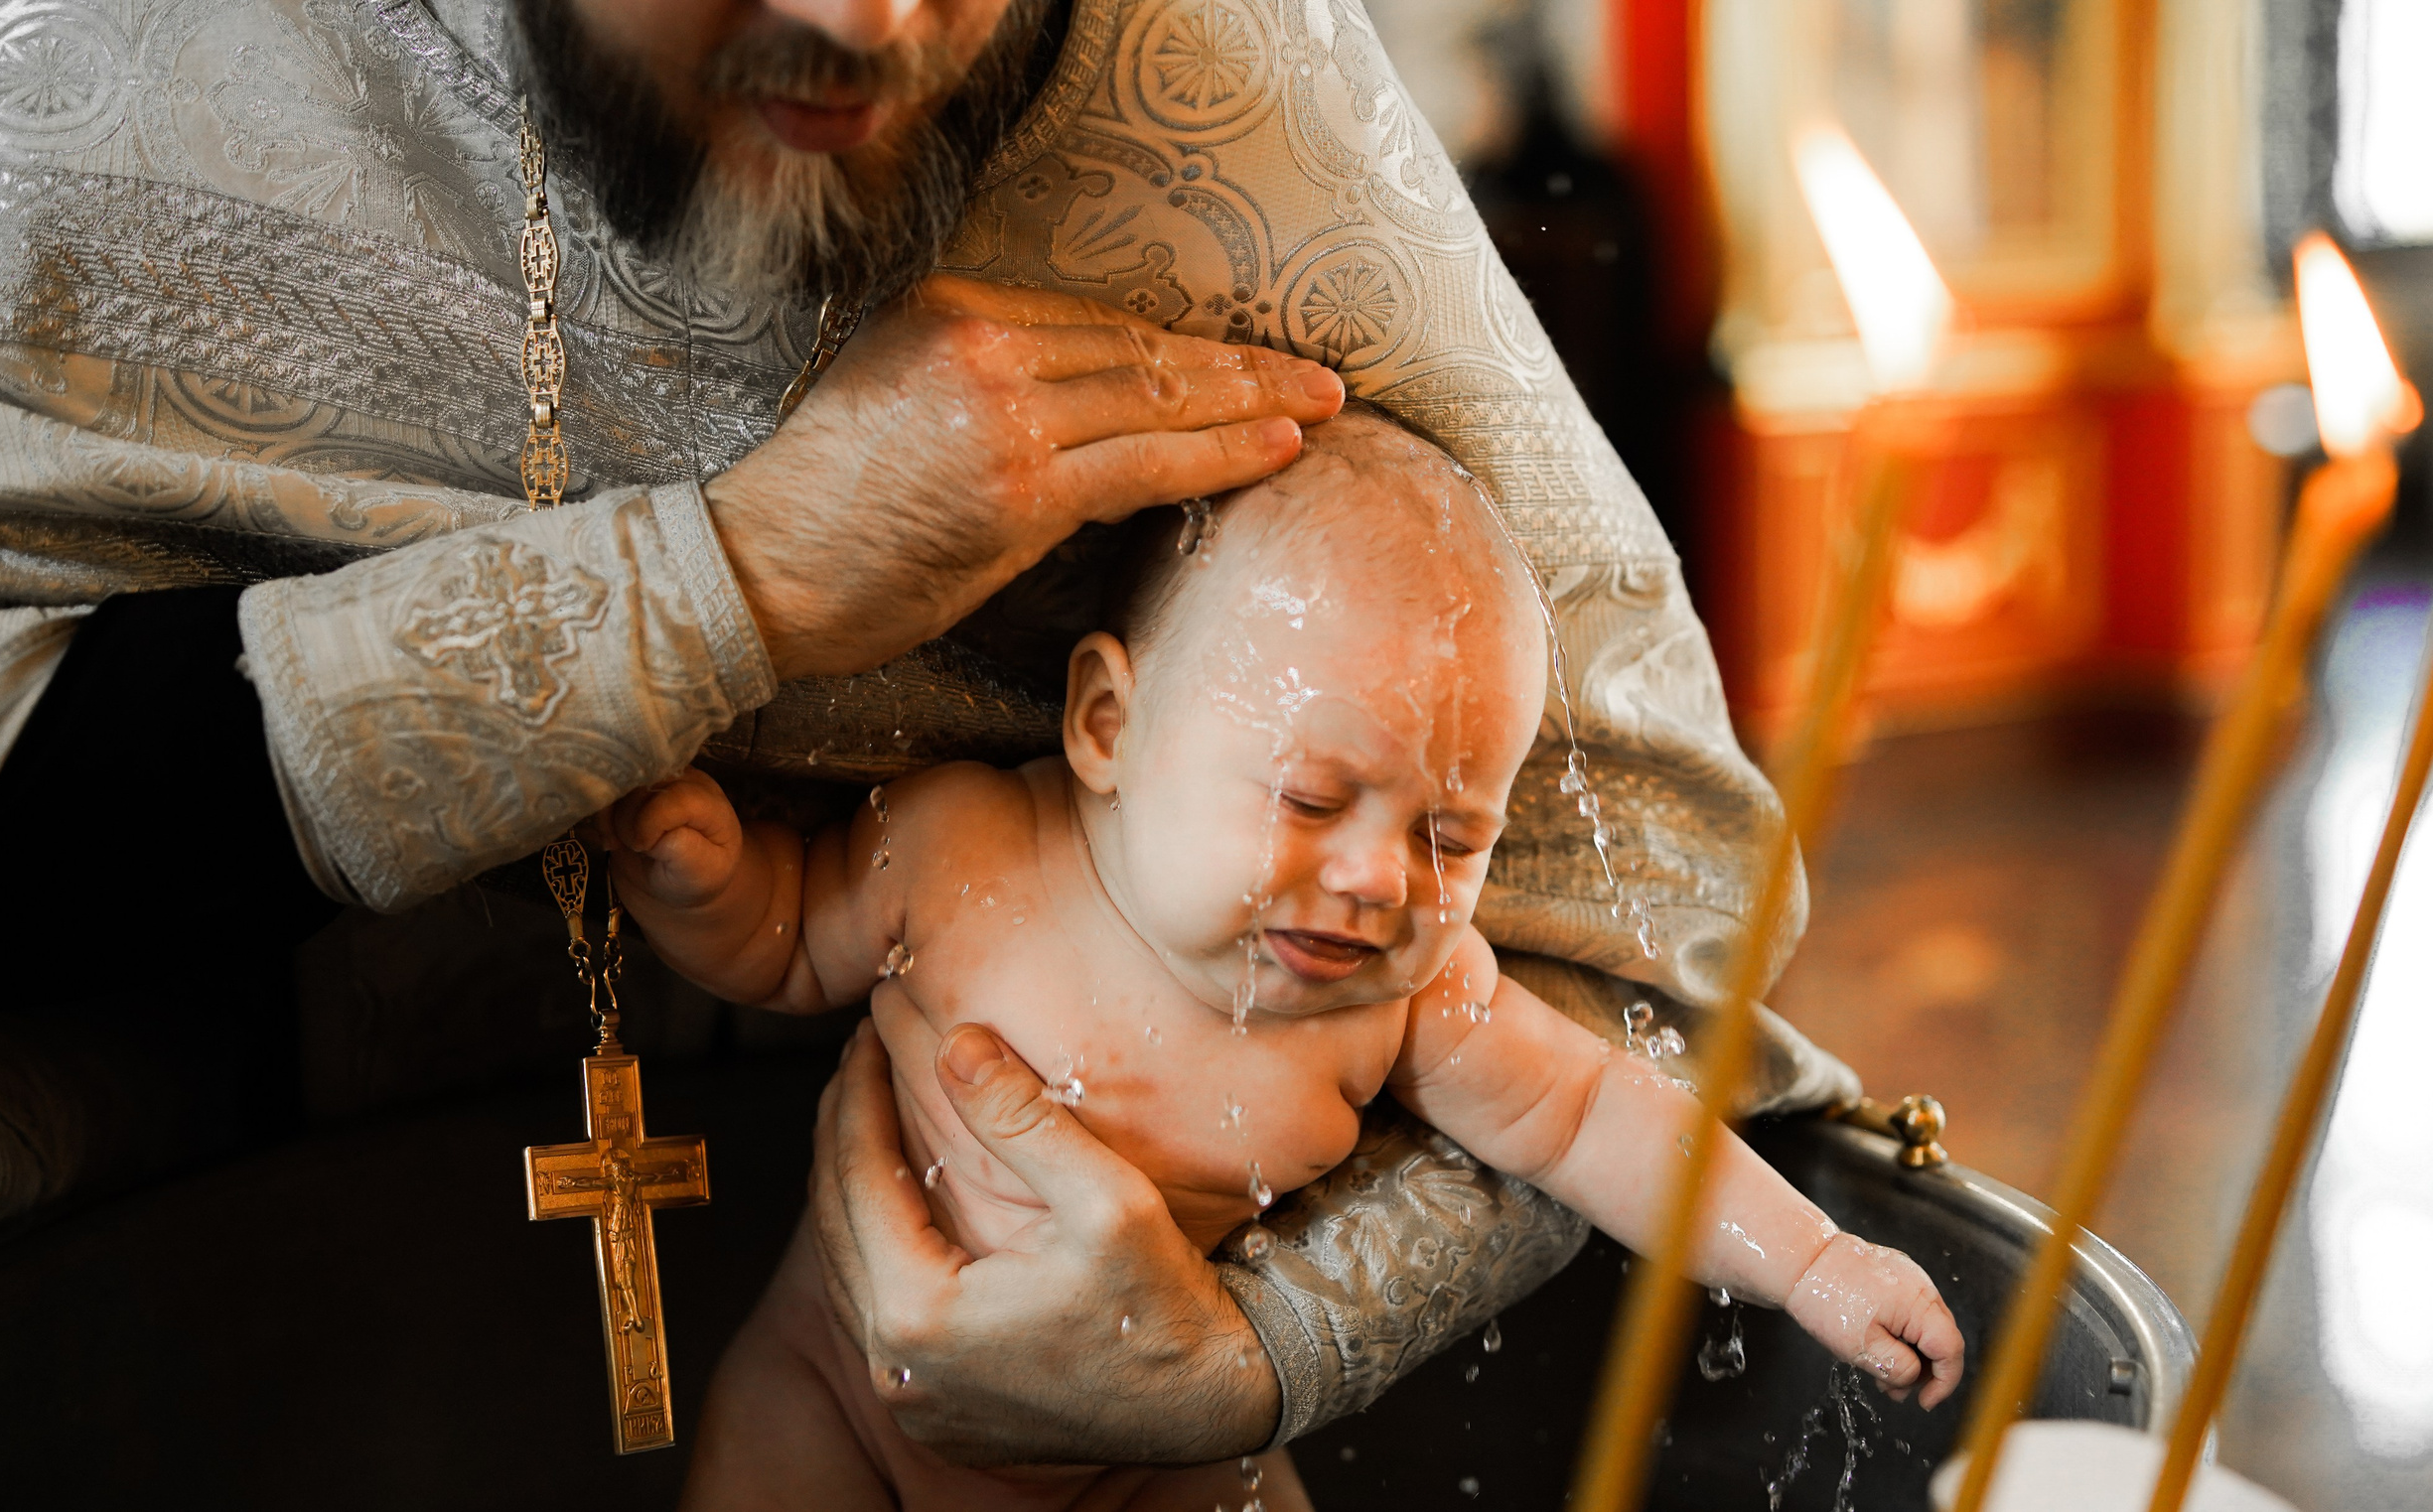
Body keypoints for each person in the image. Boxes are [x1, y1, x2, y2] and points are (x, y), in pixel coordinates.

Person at [0, 0, 1856, 1473]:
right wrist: (725, 584)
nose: (870, 23)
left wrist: (1255, 1355)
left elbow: (1635, 913)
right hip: (118, 1338)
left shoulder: (1204, 76)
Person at [606, 410, 1962, 1509]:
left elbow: (1599, 1113)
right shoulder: (962, 849)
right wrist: (706, 884)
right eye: (1312, 800)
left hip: (1145, 1465)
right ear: (1106, 725)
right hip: (830, 1400)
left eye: (1449, 835)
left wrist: (1814, 1264)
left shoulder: (1404, 1002)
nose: (1381, 880)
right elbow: (788, 945)